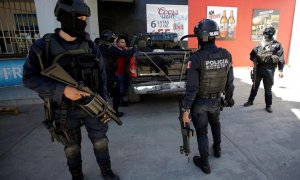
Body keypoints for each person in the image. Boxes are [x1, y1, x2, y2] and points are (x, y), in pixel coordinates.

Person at [22, 0, 119, 179]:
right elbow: (29, 78)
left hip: (93, 106)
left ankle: (106, 171)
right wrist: (62, 90)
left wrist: (105, 105)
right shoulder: (43, 46)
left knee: (101, 141)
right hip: (63, 108)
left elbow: (102, 78)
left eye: (86, 18)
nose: (84, 22)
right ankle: (76, 175)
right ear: (65, 17)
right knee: (71, 146)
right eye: (80, 18)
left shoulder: (90, 46)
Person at [182, 19, 235, 174]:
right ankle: (217, 150)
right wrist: (228, 98)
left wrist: (186, 110)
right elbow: (230, 81)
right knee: (216, 124)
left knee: (202, 132)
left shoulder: (195, 58)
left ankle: (204, 163)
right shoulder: (226, 54)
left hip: (199, 103)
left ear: (200, 37)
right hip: (216, 100)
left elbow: (192, 87)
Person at [244, 26, 284, 113]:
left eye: (266, 34)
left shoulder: (277, 44)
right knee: (255, 86)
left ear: (270, 34)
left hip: (269, 70)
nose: (265, 35)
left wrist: (281, 70)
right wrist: (255, 59)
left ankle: (268, 105)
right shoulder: (259, 44)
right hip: (258, 68)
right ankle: (250, 101)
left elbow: (280, 58)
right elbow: (252, 55)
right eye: (264, 33)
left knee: (268, 89)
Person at [96, 31, 134, 117]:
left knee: (101, 94)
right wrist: (134, 49)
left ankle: (101, 113)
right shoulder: (109, 48)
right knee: (116, 94)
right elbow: (125, 54)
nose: (114, 40)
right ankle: (115, 112)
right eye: (113, 38)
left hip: (99, 74)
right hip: (109, 74)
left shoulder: (99, 47)